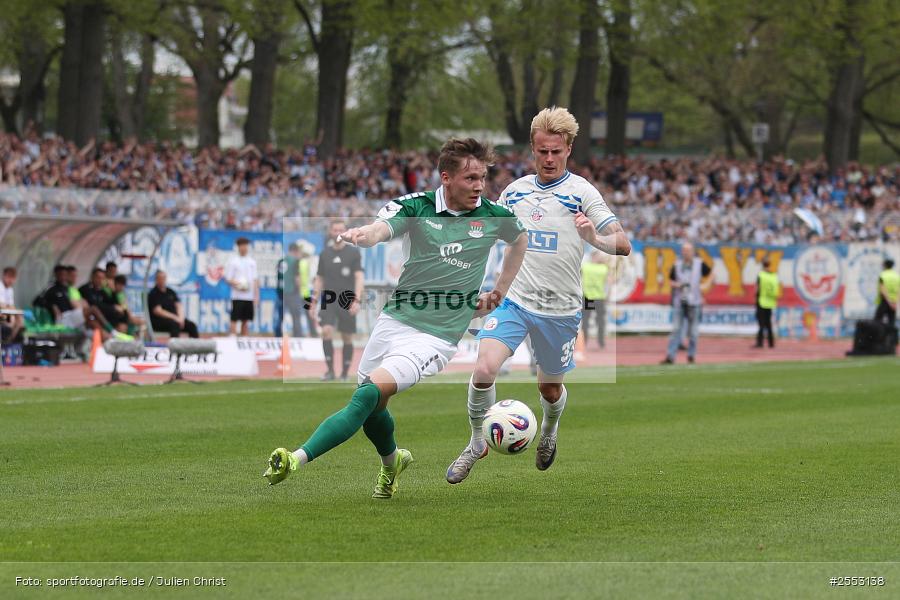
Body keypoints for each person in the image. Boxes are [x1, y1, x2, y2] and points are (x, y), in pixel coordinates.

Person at [264, 137, 528, 499]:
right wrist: (366, 235)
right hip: (393, 322)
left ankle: (295, 459)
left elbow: (520, 239)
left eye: (483, 177)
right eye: (470, 178)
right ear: (446, 177)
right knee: (372, 405)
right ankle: (392, 464)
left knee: (367, 395)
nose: (479, 186)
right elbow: (382, 227)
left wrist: (499, 291)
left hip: (435, 337)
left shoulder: (493, 216)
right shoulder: (416, 207)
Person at [446, 107, 631, 484]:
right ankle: (476, 442)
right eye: (542, 151)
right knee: (483, 369)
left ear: (569, 149)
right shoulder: (515, 192)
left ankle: (548, 430)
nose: (549, 159)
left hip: (560, 310)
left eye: (556, 152)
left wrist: (593, 238)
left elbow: (623, 243)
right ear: (533, 148)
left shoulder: (582, 193)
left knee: (549, 387)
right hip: (516, 301)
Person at [308, 221, 364, 381]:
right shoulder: (324, 254)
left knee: (347, 337)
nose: (337, 232)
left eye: (340, 229)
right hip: (328, 299)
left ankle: (345, 373)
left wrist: (357, 300)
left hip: (347, 299)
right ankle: (330, 371)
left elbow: (359, 277)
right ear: (330, 232)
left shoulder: (353, 253)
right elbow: (319, 279)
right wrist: (312, 302)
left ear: (345, 232)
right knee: (326, 331)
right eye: (334, 229)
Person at [661, 242, 712, 365]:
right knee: (676, 329)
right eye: (684, 250)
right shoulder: (677, 265)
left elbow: (711, 274)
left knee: (693, 332)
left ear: (693, 252)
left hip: (695, 301)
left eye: (688, 250)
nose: (686, 253)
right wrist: (677, 285)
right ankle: (670, 356)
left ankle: (691, 356)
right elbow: (671, 280)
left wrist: (706, 285)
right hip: (680, 300)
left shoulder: (700, 264)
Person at [148, 270, 199, 338]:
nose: (163, 280)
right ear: (156, 280)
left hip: (175, 319)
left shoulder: (170, 292)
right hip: (159, 321)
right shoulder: (153, 293)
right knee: (175, 325)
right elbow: (158, 311)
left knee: (192, 325)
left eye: (164, 278)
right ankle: (175, 347)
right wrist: (175, 318)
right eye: (160, 278)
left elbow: (179, 305)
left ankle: (195, 347)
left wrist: (181, 318)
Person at [225, 237, 258, 335]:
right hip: (237, 295)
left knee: (246, 319)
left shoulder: (252, 262)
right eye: (242, 246)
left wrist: (256, 295)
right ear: (238, 247)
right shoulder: (233, 261)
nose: (244, 248)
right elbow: (228, 278)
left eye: (246, 246)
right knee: (234, 318)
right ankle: (233, 337)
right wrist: (238, 284)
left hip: (249, 296)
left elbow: (255, 279)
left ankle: (244, 338)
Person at [581, 251, 610, 349]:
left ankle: (584, 341)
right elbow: (609, 283)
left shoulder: (586, 267)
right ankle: (601, 342)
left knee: (586, 321)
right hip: (599, 298)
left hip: (588, 297)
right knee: (600, 321)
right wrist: (608, 296)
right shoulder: (604, 268)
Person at [754, 257, 781, 348]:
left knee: (761, 324)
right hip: (770, 302)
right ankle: (771, 343)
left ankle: (760, 343)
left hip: (761, 301)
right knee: (769, 324)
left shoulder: (761, 275)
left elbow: (757, 288)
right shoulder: (774, 276)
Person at [0, 266, 24, 343]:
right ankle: (5, 340)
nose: (11, 280)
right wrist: (13, 310)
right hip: (1, 314)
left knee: (20, 320)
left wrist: (17, 312)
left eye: (13, 278)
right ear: (4, 276)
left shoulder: (10, 289)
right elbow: (2, 305)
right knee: (11, 319)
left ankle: (9, 341)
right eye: (9, 277)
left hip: (5, 313)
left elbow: (11, 305)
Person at [874, 259, 898, 327]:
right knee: (891, 322)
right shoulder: (897, 276)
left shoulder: (883, 275)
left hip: (885, 301)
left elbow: (883, 290)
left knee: (877, 321)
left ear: (885, 266)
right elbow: (898, 291)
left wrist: (889, 302)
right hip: (893, 302)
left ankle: (877, 337)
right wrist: (895, 303)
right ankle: (891, 337)